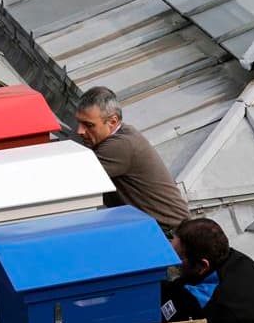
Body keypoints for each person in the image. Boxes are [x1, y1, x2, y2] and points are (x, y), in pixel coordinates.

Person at [75, 86, 190, 235]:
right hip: (158, 229)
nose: (80, 131)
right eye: (79, 123)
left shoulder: (120, 145)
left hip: (167, 233)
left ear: (113, 121)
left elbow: (74, 179)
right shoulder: (120, 136)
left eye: (89, 125)